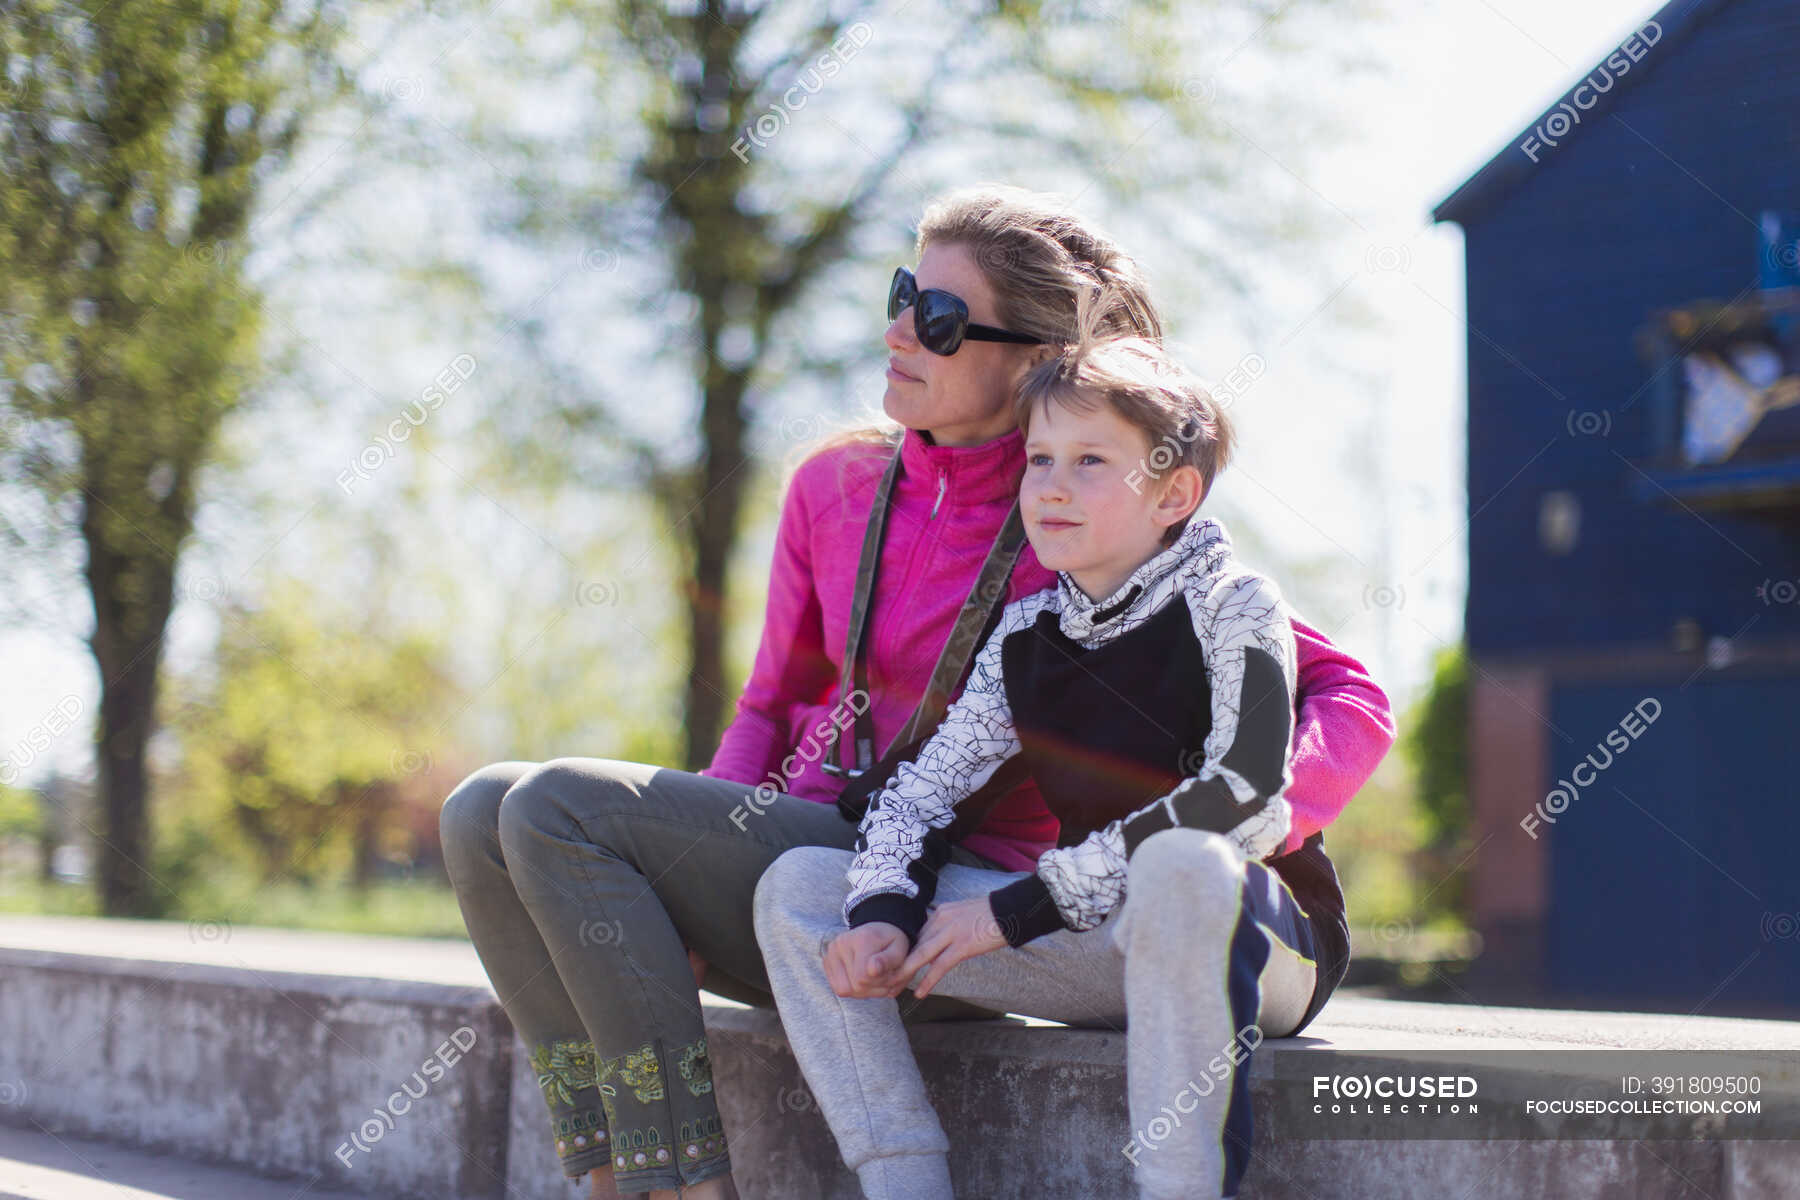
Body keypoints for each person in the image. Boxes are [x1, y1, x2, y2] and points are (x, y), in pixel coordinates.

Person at [438, 184, 1395, 1199]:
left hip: (971, 892)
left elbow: (1349, 693)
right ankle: (605, 1166)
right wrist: (675, 863)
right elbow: (769, 703)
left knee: (552, 805)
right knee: (476, 810)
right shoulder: (833, 486)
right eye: (903, 293)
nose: (898, 329)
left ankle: (676, 1184)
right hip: (831, 852)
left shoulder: (1079, 522)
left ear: (1030, 362)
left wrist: (1226, 836)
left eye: (937, 318)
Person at [752, 311, 1369, 1200]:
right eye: (1041, 459)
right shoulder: (1026, 633)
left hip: (1254, 943)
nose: (1052, 486)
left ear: (1173, 494)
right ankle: (905, 1185)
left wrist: (1018, 908)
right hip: (1094, 943)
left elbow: (1243, 795)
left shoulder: (1236, 604)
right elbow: (921, 791)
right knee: (803, 887)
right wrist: (884, 908)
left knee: (1184, 864)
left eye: (1090, 462)